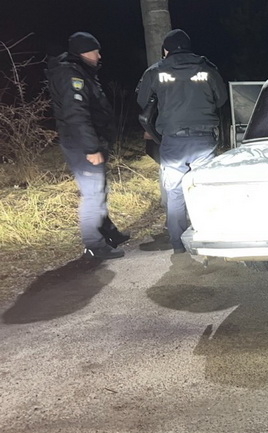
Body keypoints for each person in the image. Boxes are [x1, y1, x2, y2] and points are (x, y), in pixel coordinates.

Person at [136, 29, 228, 254]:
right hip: (203, 139)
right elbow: (222, 99)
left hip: (173, 141)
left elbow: (142, 100)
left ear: (165, 50)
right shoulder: (206, 68)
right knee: (202, 188)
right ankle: (207, 235)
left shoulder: (155, 71)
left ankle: (178, 243)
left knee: (175, 192)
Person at [46, 32, 130, 260]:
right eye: (95, 51)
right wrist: (91, 148)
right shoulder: (72, 75)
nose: (99, 55)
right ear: (83, 52)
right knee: (93, 194)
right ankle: (94, 246)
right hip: (82, 145)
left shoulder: (82, 72)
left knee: (99, 190)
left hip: (89, 141)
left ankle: (108, 233)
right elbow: (76, 114)